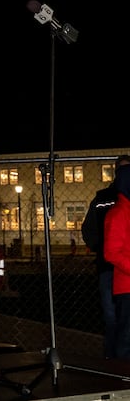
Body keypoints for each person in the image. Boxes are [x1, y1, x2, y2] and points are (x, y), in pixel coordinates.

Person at [82, 154, 130, 359]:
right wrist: (100, 249)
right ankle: (113, 360)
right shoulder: (104, 198)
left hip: (121, 268)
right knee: (113, 318)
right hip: (109, 267)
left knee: (123, 320)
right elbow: (89, 229)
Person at [103, 163, 130, 360]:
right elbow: (111, 252)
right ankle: (123, 379)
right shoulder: (119, 213)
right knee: (127, 337)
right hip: (127, 287)